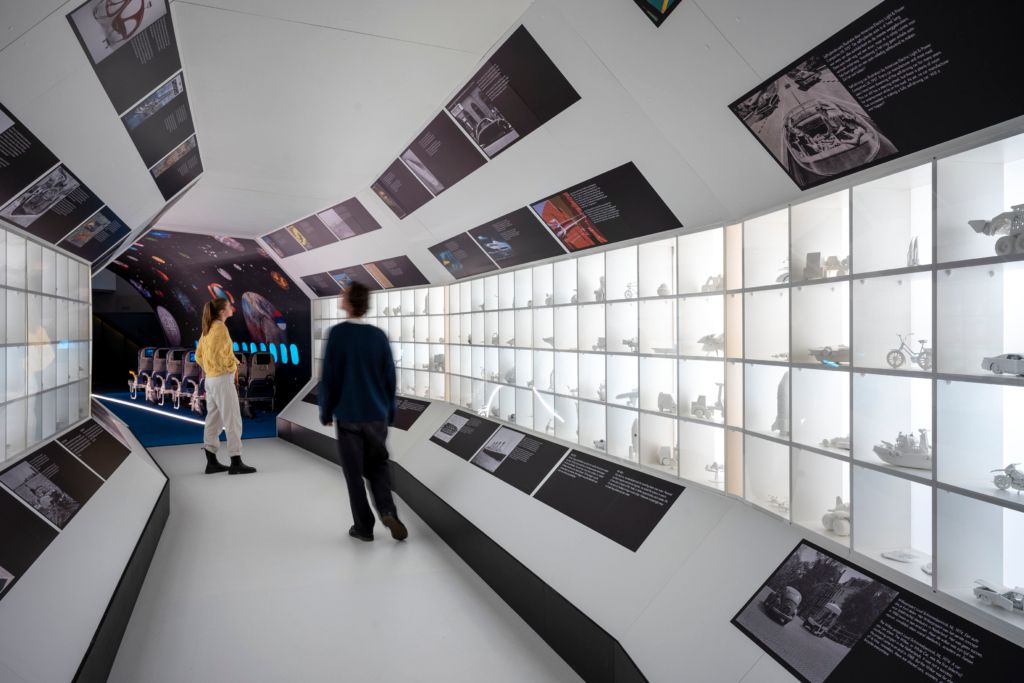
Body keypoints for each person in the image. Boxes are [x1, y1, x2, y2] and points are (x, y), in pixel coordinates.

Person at [319, 282, 407, 542]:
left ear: (349, 301)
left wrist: (326, 411)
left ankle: (364, 527)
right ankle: (388, 511)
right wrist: (389, 411)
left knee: (353, 474)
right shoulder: (378, 336)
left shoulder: (337, 334)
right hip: (376, 415)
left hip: (348, 416)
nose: (340, 296)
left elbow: (330, 377)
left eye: (343, 293)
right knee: (378, 465)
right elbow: (390, 378)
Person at [195, 298, 256, 475]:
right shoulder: (220, 328)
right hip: (222, 379)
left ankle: (211, 462)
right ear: (222, 311)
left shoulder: (207, 327)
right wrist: (233, 365)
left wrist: (209, 369)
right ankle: (236, 461)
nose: (233, 309)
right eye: (230, 306)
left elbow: (199, 355)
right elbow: (220, 356)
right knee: (232, 420)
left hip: (211, 379)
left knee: (213, 420)